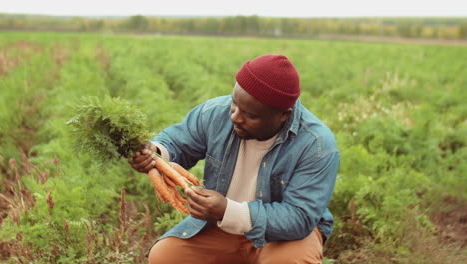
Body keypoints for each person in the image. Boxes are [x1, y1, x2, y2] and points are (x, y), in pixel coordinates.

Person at [130, 54, 340, 264]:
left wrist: (227, 210)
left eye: (251, 115)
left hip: (283, 236)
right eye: (234, 104)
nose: (235, 117)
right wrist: (155, 152)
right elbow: (178, 141)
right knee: (165, 257)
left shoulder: (317, 145)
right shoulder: (215, 114)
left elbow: (298, 217)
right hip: (221, 228)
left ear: (283, 115)